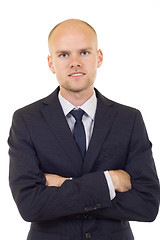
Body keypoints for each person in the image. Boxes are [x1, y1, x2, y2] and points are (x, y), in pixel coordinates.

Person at [8, 19, 160, 240]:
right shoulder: (26, 120)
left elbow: (147, 204)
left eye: (84, 53)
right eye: (63, 55)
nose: (75, 62)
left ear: (99, 57)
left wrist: (64, 186)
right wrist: (110, 182)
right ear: (51, 63)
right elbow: (30, 205)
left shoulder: (129, 119)